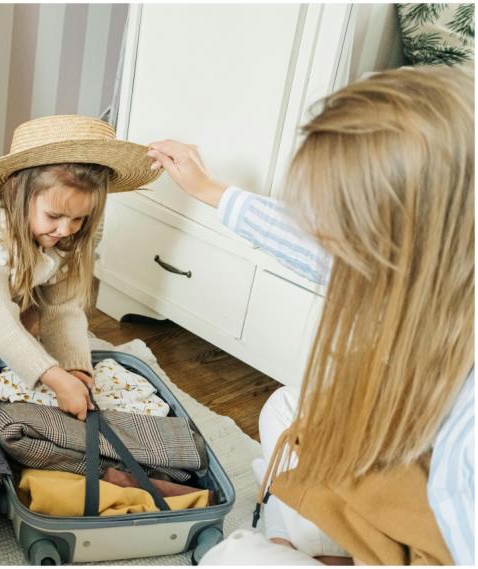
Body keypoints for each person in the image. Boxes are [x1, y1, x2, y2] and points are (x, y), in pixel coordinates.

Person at [147, 65, 473, 565]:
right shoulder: (436, 265)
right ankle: (289, 541)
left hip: (434, 528)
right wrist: (212, 190)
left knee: (230, 557)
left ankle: (283, 542)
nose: (327, 243)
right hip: (413, 478)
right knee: (286, 409)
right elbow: (310, 247)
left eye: (341, 224)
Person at [0, 115, 160, 420]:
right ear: (18, 195)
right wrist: (54, 378)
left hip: (6, 292)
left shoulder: (61, 235)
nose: (66, 229)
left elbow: (64, 307)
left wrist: (72, 365)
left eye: (78, 219)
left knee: (41, 318)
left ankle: (16, 351)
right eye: (54, 216)